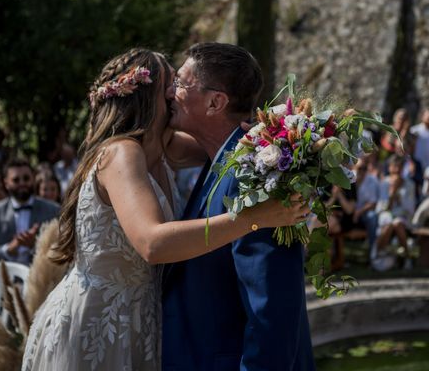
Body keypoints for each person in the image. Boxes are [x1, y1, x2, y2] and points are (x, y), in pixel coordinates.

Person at [22, 48, 306, 371]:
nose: (174, 93)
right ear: (146, 93)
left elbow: (228, 140)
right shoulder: (123, 153)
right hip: (101, 323)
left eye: (180, 83)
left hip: (140, 323)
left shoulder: (163, 147)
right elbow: (152, 243)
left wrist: (291, 149)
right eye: (171, 83)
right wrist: (254, 218)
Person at [162, 43, 314, 371]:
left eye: (180, 83)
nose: (169, 92)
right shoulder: (222, 161)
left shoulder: (255, 177)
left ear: (216, 102)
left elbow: (272, 312)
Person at [0, 158, 59, 265]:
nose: (22, 183)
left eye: (26, 178)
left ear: (33, 179)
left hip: (41, 277)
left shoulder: (53, 210)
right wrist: (7, 250)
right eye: (16, 180)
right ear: (6, 183)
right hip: (5, 277)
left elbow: (62, 250)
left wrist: (36, 245)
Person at [374, 155, 417, 270]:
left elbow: (410, 208)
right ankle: (378, 254)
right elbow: (382, 207)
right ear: (390, 168)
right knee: (389, 223)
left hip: (403, 216)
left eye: (400, 167)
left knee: (397, 223)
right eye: (394, 167)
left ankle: (407, 257)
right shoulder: (384, 183)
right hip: (386, 215)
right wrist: (392, 194)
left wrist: (399, 197)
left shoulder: (410, 184)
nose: (397, 170)